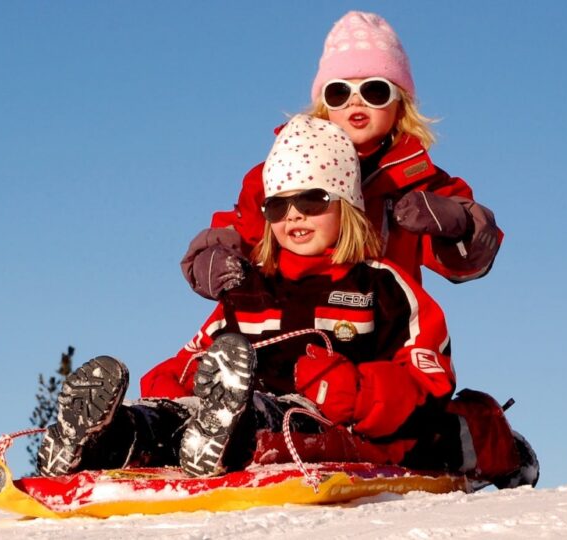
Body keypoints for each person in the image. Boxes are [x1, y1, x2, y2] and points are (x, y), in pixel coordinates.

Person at [35, 115, 534, 488]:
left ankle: (224, 430)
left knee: (276, 421)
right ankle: (108, 436)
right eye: (279, 204)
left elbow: (428, 384)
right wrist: (173, 385)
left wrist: (355, 390)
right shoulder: (251, 290)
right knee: (173, 419)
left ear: (348, 207)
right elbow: (188, 359)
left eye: (313, 200)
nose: (295, 214)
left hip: (320, 421)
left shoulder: (383, 287)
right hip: (225, 411)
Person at [182, 11, 503, 303]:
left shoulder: (419, 182)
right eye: (340, 92)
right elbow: (244, 229)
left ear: (400, 103)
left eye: (374, 91)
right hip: (295, 318)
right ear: (324, 104)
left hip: (384, 325)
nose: (355, 102)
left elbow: (468, 263)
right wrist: (214, 256)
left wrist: (457, 224)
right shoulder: (285, 170)